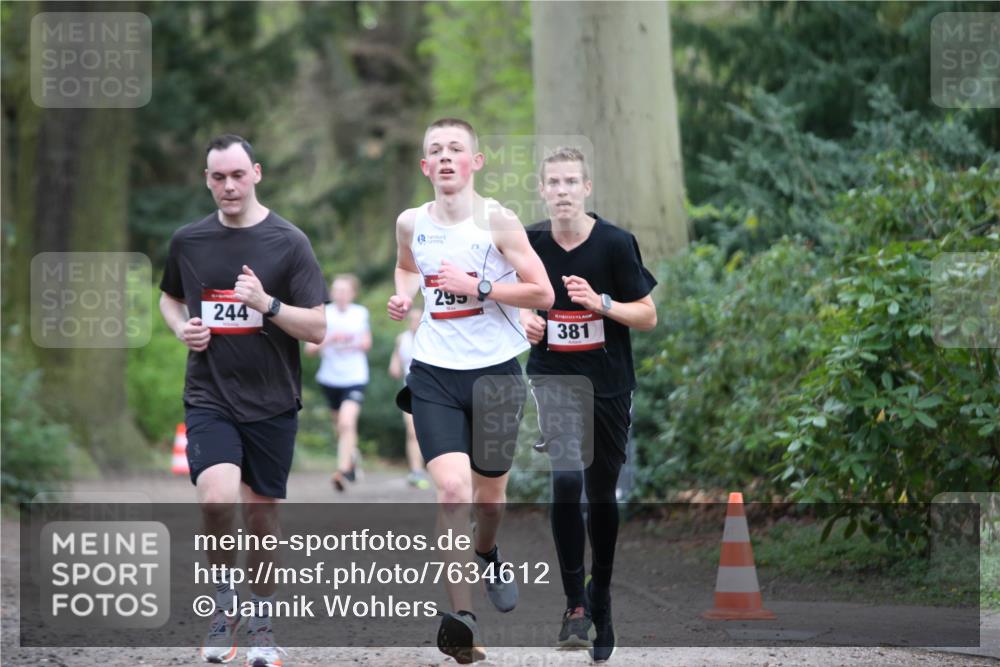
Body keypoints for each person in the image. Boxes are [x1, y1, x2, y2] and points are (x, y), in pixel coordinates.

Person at [387, 118, 554, 663]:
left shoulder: (498, 222)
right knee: (453, 492)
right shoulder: (411, 221)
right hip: (433, 369)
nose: (446, 157)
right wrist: (402, 296)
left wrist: (479, 286)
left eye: (456, 149)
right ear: (424, 165)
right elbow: (405, 267)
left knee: (490, 498)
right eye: (435, 149)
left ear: (475, 162)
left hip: (495, 372)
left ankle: (489, 551)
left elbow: (543, 293)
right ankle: (464, 620)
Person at [159, 134, 327, 667]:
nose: (228, 186)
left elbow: (318, 327)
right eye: (217, 178)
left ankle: (261, 624)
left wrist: (267, 303)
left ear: (256, 173)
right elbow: (169, 298)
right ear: (206, 180)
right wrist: (182, 327)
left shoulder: (289, 242)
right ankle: (221, 608)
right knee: (215, 498)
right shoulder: (188, 241)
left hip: (273, 401)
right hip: (209, 394)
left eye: (236, 175)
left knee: (261, 521)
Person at [520, 147, 657, 662]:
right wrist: (525, 323)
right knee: (566, 478)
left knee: (601, 494)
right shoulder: (530, 243)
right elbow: (506, 303)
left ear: (587, 188)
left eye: (570, 182)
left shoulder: (616, 244)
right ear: (542, 189)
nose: (561, 190)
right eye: (553, 182)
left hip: (609, 383)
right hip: (554, 377)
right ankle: (575, 603)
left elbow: (647, 316)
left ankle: (602, 594)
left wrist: (602, 304)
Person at [304, 273, 372, 491]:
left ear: (353, 293)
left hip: (354, 377)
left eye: (345, 291)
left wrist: (355, 342)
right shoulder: (325, 314)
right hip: (330, 379)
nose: (341, 295)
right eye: (337, 290)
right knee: (340, 428)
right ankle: (352, 459)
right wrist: (331, 339)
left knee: (346, 422)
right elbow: (310, 350)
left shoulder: (360, 313)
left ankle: (342, 471)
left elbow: (366, 342)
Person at [388, 306, 430, 490]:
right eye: (411, 320)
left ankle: (435, 467)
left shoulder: (431, 337)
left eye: (417, 319)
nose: (414, 323)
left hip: (432, 390)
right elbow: (394, 367)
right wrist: (396, 365)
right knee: (412, 432)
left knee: (429, 433)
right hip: (410, 390)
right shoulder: (402, 339)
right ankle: (416, 471)